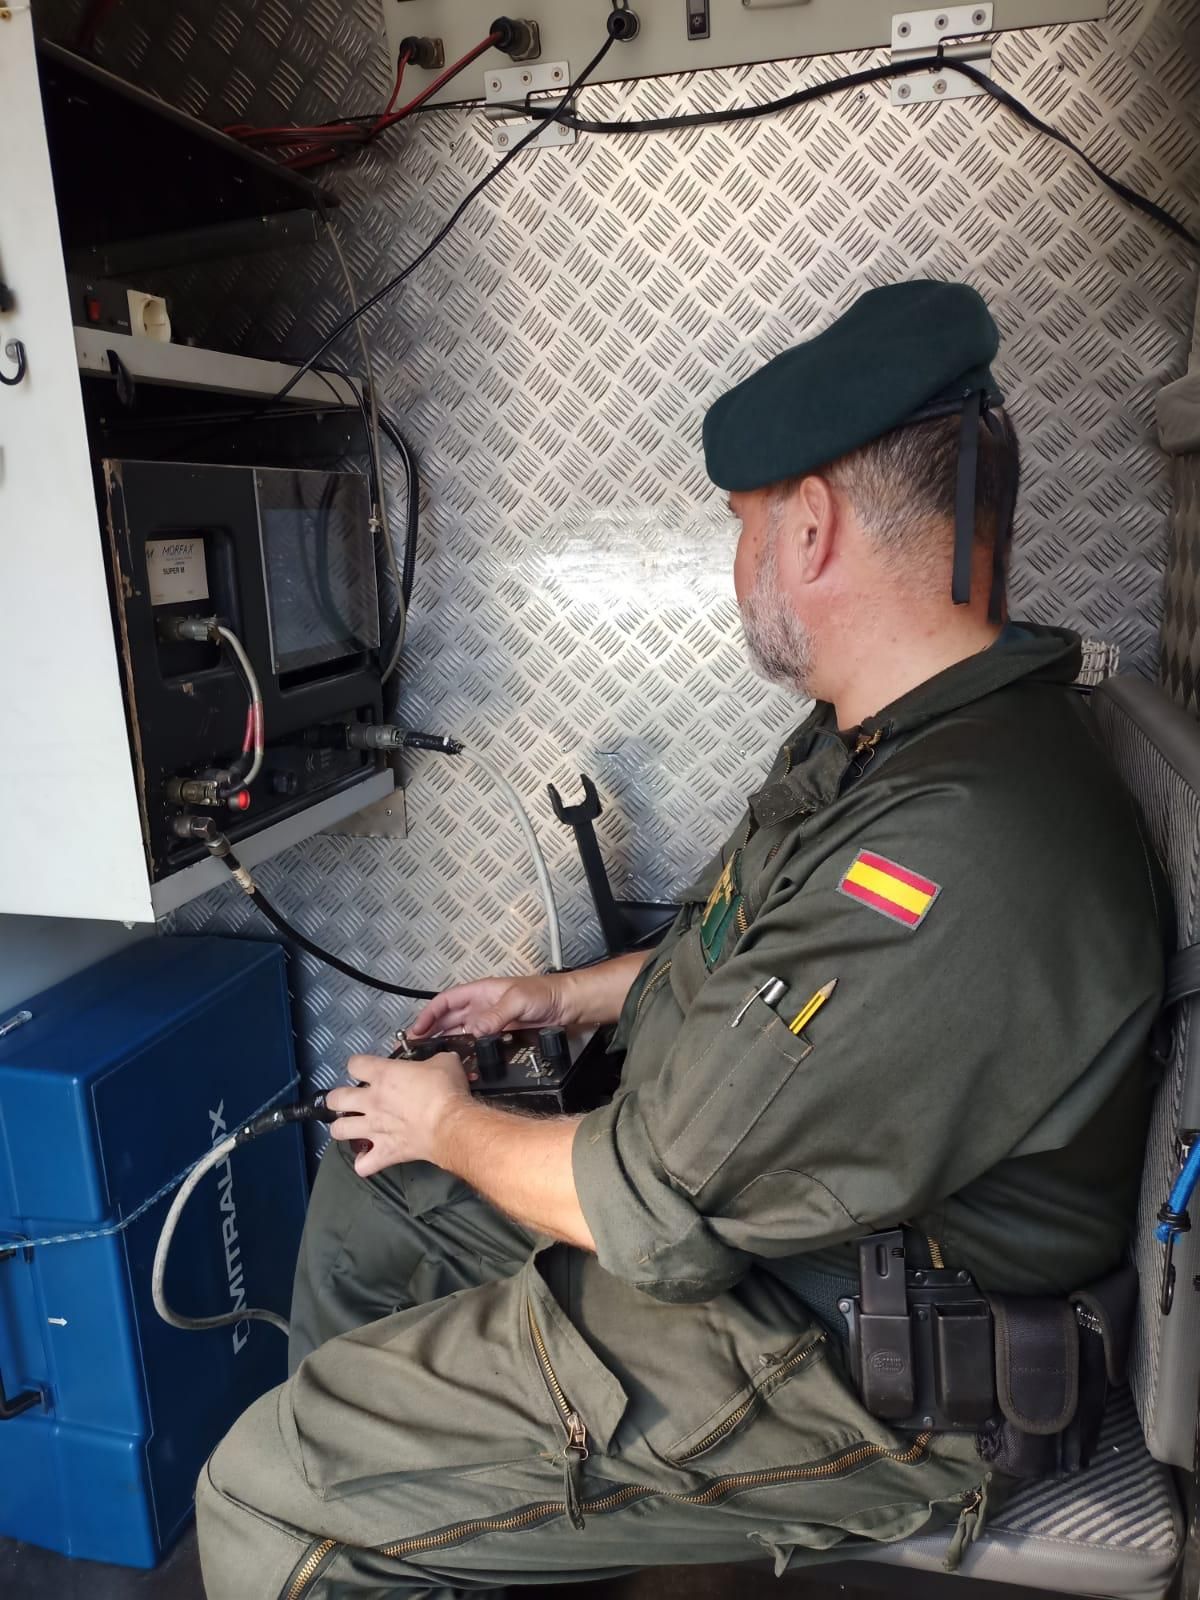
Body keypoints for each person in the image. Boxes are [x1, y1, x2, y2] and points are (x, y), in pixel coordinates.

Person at [196, 280, 1164, 1599]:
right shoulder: (881, 745)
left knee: (268, 1492)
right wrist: (557, 1000)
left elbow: (656, 1218)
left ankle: (369, 1509)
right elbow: (747, 953)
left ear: (811, 527)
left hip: (852, 1364)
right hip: (771, 1241)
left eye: (744, 528)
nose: (739, 569)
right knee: (379, 1208)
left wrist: (451, 1123)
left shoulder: (951, 847)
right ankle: (456, 1528)